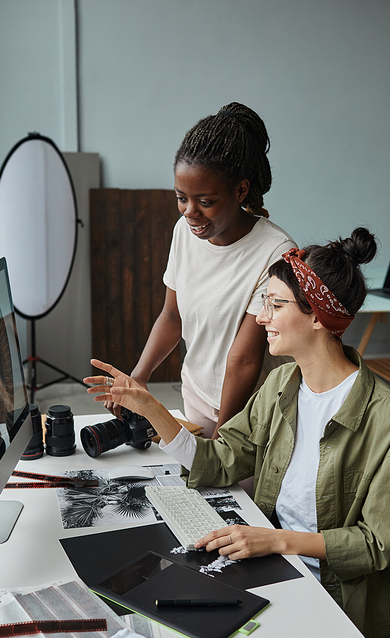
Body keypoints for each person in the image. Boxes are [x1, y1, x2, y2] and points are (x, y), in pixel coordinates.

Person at [84, 227, 390, 638]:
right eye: (265, 302)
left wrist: (277, 540)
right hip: (276, 564)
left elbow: (377, 544)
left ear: (319, 316)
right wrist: (151, 407)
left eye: (275, 304)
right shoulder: (283, 383)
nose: (262, 316)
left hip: (341, 595)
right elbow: (220, 459)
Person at [106, 102, 296, 439]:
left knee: (237, 491)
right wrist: (139, 376)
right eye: (181, 198)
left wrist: (225, 439)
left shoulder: (274, 252)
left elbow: (244, 360)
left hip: (248, 410)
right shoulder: (185, 232)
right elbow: (172, 316)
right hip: (195, 393)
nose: (190, 212)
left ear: (240, 190)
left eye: (205, 202)